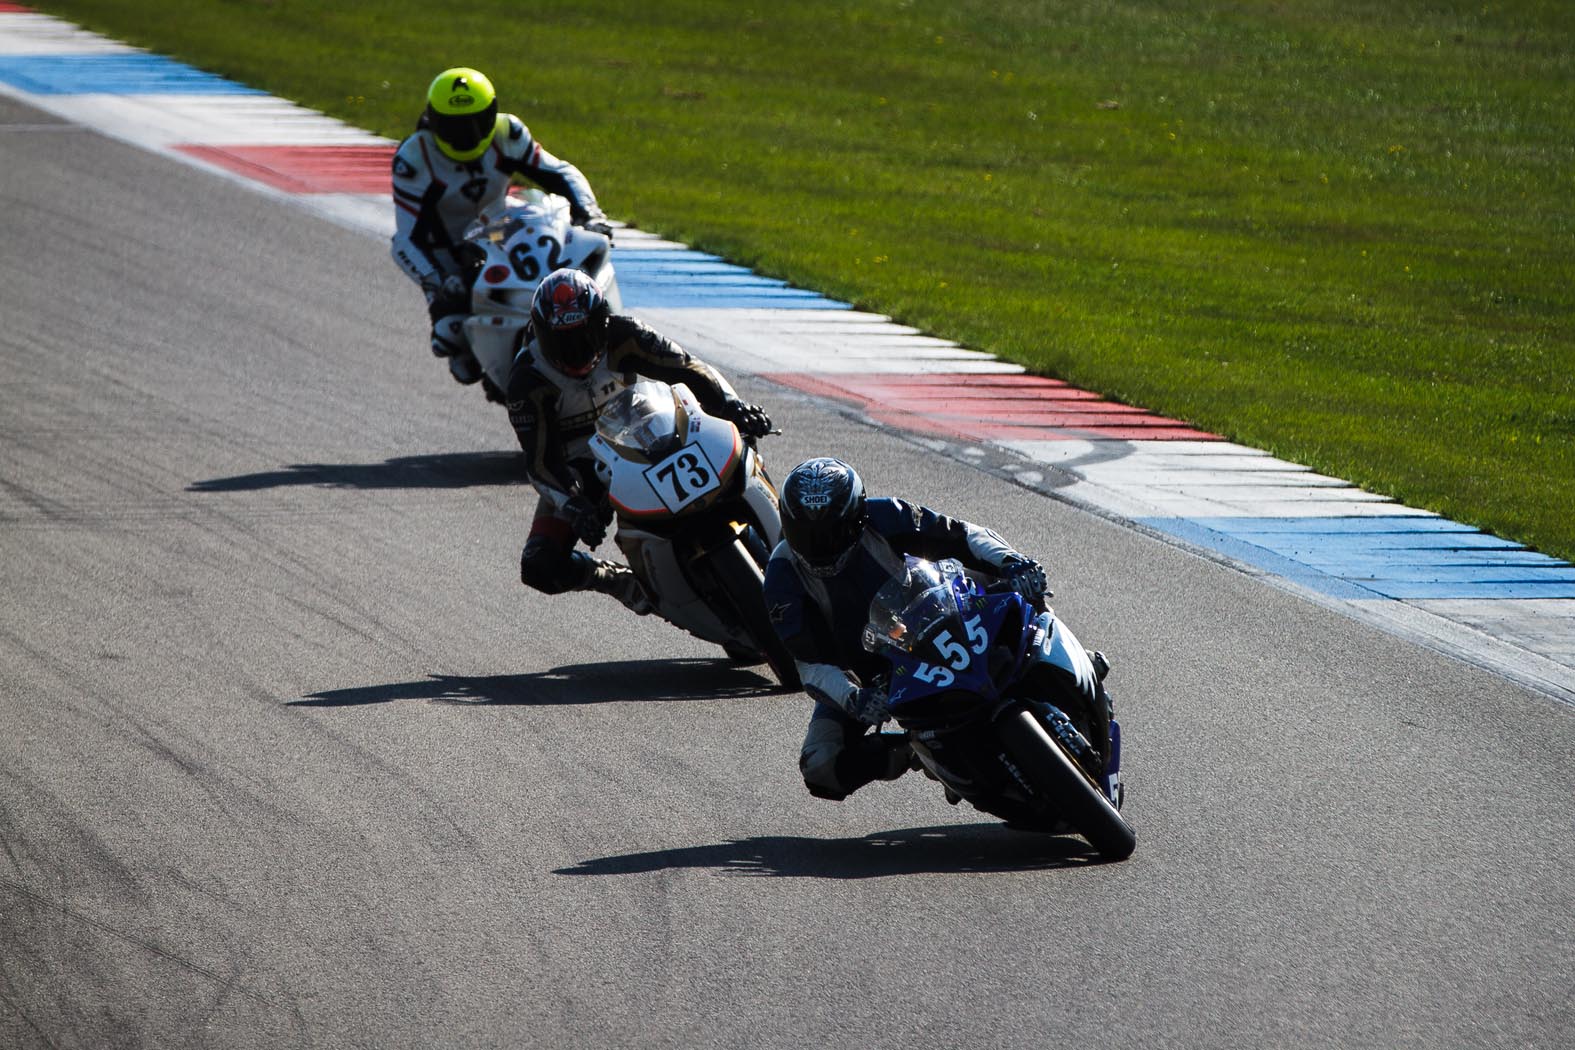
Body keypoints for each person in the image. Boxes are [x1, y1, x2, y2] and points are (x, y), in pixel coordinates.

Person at [762, 456, 1051, 802]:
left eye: (832, 534)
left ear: (857, 516)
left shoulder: (886, 516)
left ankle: (1055, 645)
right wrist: (855, 699)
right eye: (806, 536)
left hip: (944, 614)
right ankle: (917, 751)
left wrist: (1014, 561)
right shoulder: (781, 576)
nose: (820, 549)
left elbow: (963, 536)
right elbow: (809, 663)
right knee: (821, 766)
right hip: (873, 676)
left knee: (1008, 577)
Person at [507, 268, 773, 612]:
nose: (575, 351)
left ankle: (781, 531)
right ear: (539, 333)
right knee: (540, 565)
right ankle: (620, 581)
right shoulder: (528, 379)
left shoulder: (625, 334)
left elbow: (691, 369)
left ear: (601, 322)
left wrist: (733, 405)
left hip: (650, 432)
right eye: (562, 340)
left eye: (583, 335)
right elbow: (541, 461)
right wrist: (573, 504)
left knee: (739, 438)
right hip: (584, 466)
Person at [390, 66, 612, 397]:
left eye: (477, 122)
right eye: (453, 126)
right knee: (449, 340)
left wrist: (590, 213)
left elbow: (560, 173)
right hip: (448, 255)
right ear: (434, 122)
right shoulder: (414, 158)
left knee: (578, 263)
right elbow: (405, 240)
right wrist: (438, 280)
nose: (467, 134)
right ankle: (502, 376)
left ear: (492, 114)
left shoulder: (507, 133)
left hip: (500, 232)